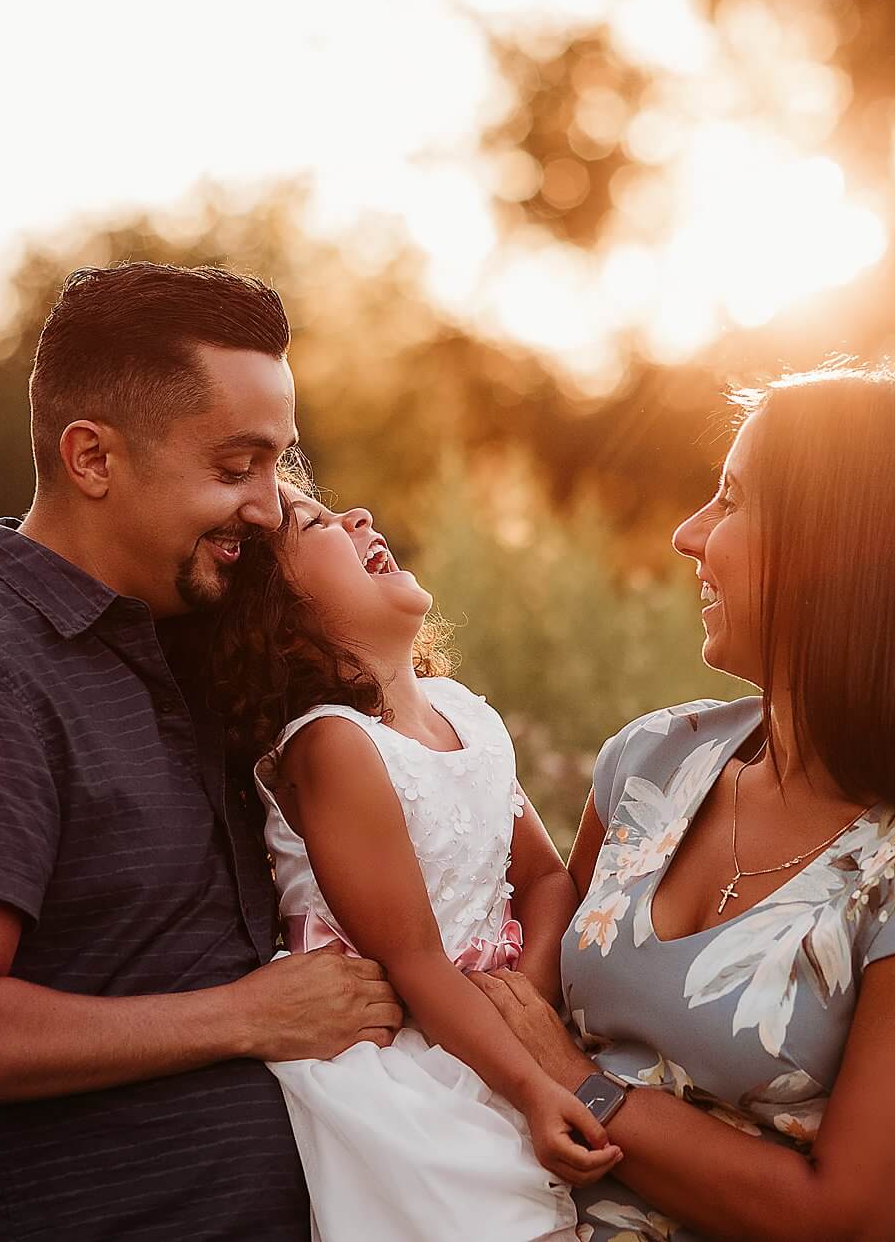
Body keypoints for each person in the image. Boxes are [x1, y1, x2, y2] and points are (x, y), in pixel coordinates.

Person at [0, 262, 401, 1241]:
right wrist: (247, 1014)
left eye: (277, 465)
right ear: (91, 458)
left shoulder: (182, 637)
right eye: (233, 467)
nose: (266, 506)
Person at [473, 364, 895, 1241]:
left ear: (843, 547)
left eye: (732, 501)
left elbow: (850, 1222)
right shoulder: (653, 759)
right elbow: (516, 990)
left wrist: (585, 1088)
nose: (686, 534)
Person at [177, 477, 617, 1240]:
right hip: (402, 1069)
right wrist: (531, 1081)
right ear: (283, 623)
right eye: (316, 524)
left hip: (492, 1035)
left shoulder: (467, 715)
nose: (359, 516)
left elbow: (545, 877)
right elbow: (411, 962)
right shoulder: (334, 747)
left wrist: (528, 1001)